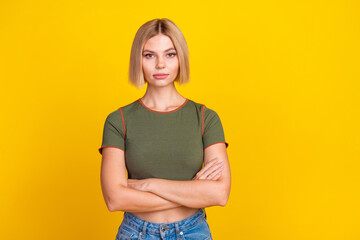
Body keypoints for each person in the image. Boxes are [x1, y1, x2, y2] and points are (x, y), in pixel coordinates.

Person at [98, 18, 231, 240]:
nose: (160, 64)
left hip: (193, 232)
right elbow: (115, 200)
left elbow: (220, 194)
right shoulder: (118, 120)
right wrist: (192, 191)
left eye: (170, 54)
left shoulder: (205, 118)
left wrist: (148, 185)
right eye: (149, 55)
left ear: (181, 58)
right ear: (138, 60)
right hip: (137, 233)